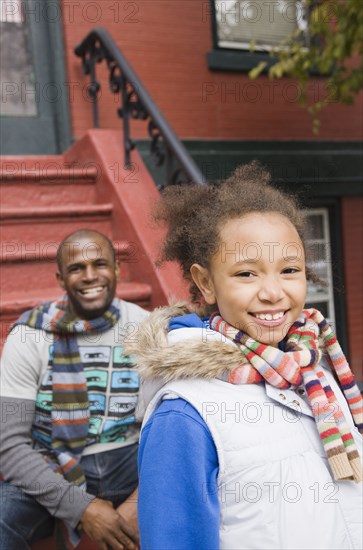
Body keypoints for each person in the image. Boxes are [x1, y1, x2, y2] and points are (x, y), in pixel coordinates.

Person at [127, 162, 363, 550]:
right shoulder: (184, 413)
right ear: (206, 282)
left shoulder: (314, 372)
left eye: (289, 270)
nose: (273, 292)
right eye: (246, 274)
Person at [0, 229, 149, 549]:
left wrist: (140, 502)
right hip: (50, 461)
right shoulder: (29, 334)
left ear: (117, 269)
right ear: (60, 278)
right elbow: (10, 446)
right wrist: (81, 507)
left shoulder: (146, 328)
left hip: (129, 462)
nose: (90, 276)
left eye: (100, 264)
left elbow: (170, 431)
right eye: (76, 268)